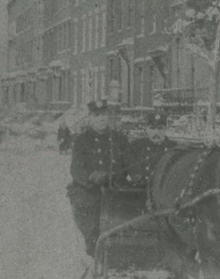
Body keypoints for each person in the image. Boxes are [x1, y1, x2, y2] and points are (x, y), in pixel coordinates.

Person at [67, 100, 130, 256]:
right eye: (97, 115)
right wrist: (92, 176)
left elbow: (130, 163)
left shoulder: (119, 138)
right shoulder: (81, 140)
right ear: (90, 117)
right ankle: (93, 252)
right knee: (90, 220)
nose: (101, 119)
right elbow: (76, 168)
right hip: (89, 191)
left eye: (104, 115)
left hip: (115, 190)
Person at [124, 111, 176, 188]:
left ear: (166, 129)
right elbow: (130, 165)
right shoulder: (136, 146)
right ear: (146, 129)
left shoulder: (173, 147)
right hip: (141, 189)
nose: (156, 132)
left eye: (160, 128)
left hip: (163, 190)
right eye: (152, 128)